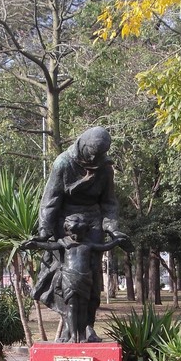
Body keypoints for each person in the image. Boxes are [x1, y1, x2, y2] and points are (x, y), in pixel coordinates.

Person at [29, 126, 130, 342]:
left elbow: (109, 203)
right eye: (91, 153)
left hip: (92, 224)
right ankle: (69, 326)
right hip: (64, 223)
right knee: (61, 276)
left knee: (91, 277)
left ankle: (88, 327)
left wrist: (112, 228)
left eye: (98, 155)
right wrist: (45, 231)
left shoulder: (105, 169)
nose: (94, 158)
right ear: (81, 145)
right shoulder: (63, 163)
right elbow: (51, 201)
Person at [23, 214, 127, 343]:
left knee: (83, 306)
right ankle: (73, 335)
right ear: (68, 231)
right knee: (71, 306)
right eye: (74, 233)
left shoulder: (89, 244)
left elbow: (104, 247)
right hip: (68, 277)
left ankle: (82, 335)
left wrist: (116, 242)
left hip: (85, 278)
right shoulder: (64, 242)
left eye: (80, 233)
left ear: (85, 231)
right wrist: (35, 243)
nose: (77, 237)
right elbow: (49, 246)